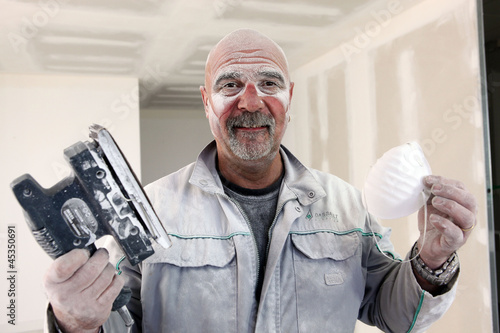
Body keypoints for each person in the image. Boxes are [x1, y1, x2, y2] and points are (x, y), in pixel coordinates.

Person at [43, 29, 477, 333]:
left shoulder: (347, 207)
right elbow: (120, 324)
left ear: (289, 96)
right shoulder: (150, 212)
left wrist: (432, 262)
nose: (251, 101)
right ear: (206, 102)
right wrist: (75, 324)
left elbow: (396, 314)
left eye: (268, 82)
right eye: (230, 84)